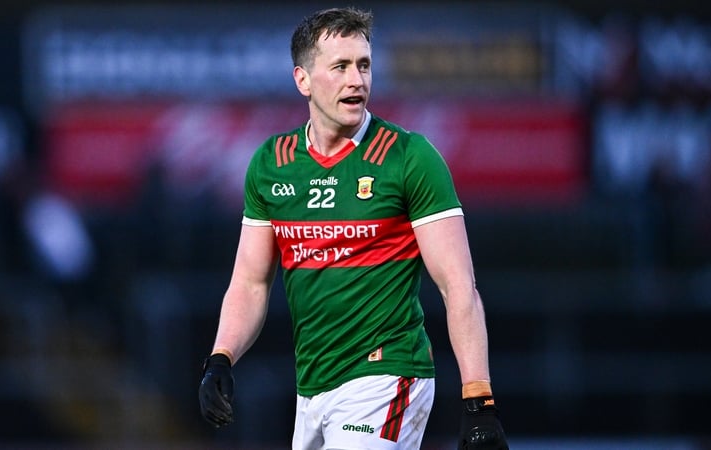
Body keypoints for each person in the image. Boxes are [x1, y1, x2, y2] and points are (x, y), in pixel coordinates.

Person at [198, 7, 509, 449]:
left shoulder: (409, 157)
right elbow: (250, 282)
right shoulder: (272, 163)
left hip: (387, 376)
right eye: (340, 67)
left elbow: (459, 285)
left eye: (364, 65)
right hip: (313, 390)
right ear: (302, 80)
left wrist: (479, 400)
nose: (357, 80)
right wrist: (220, 358)